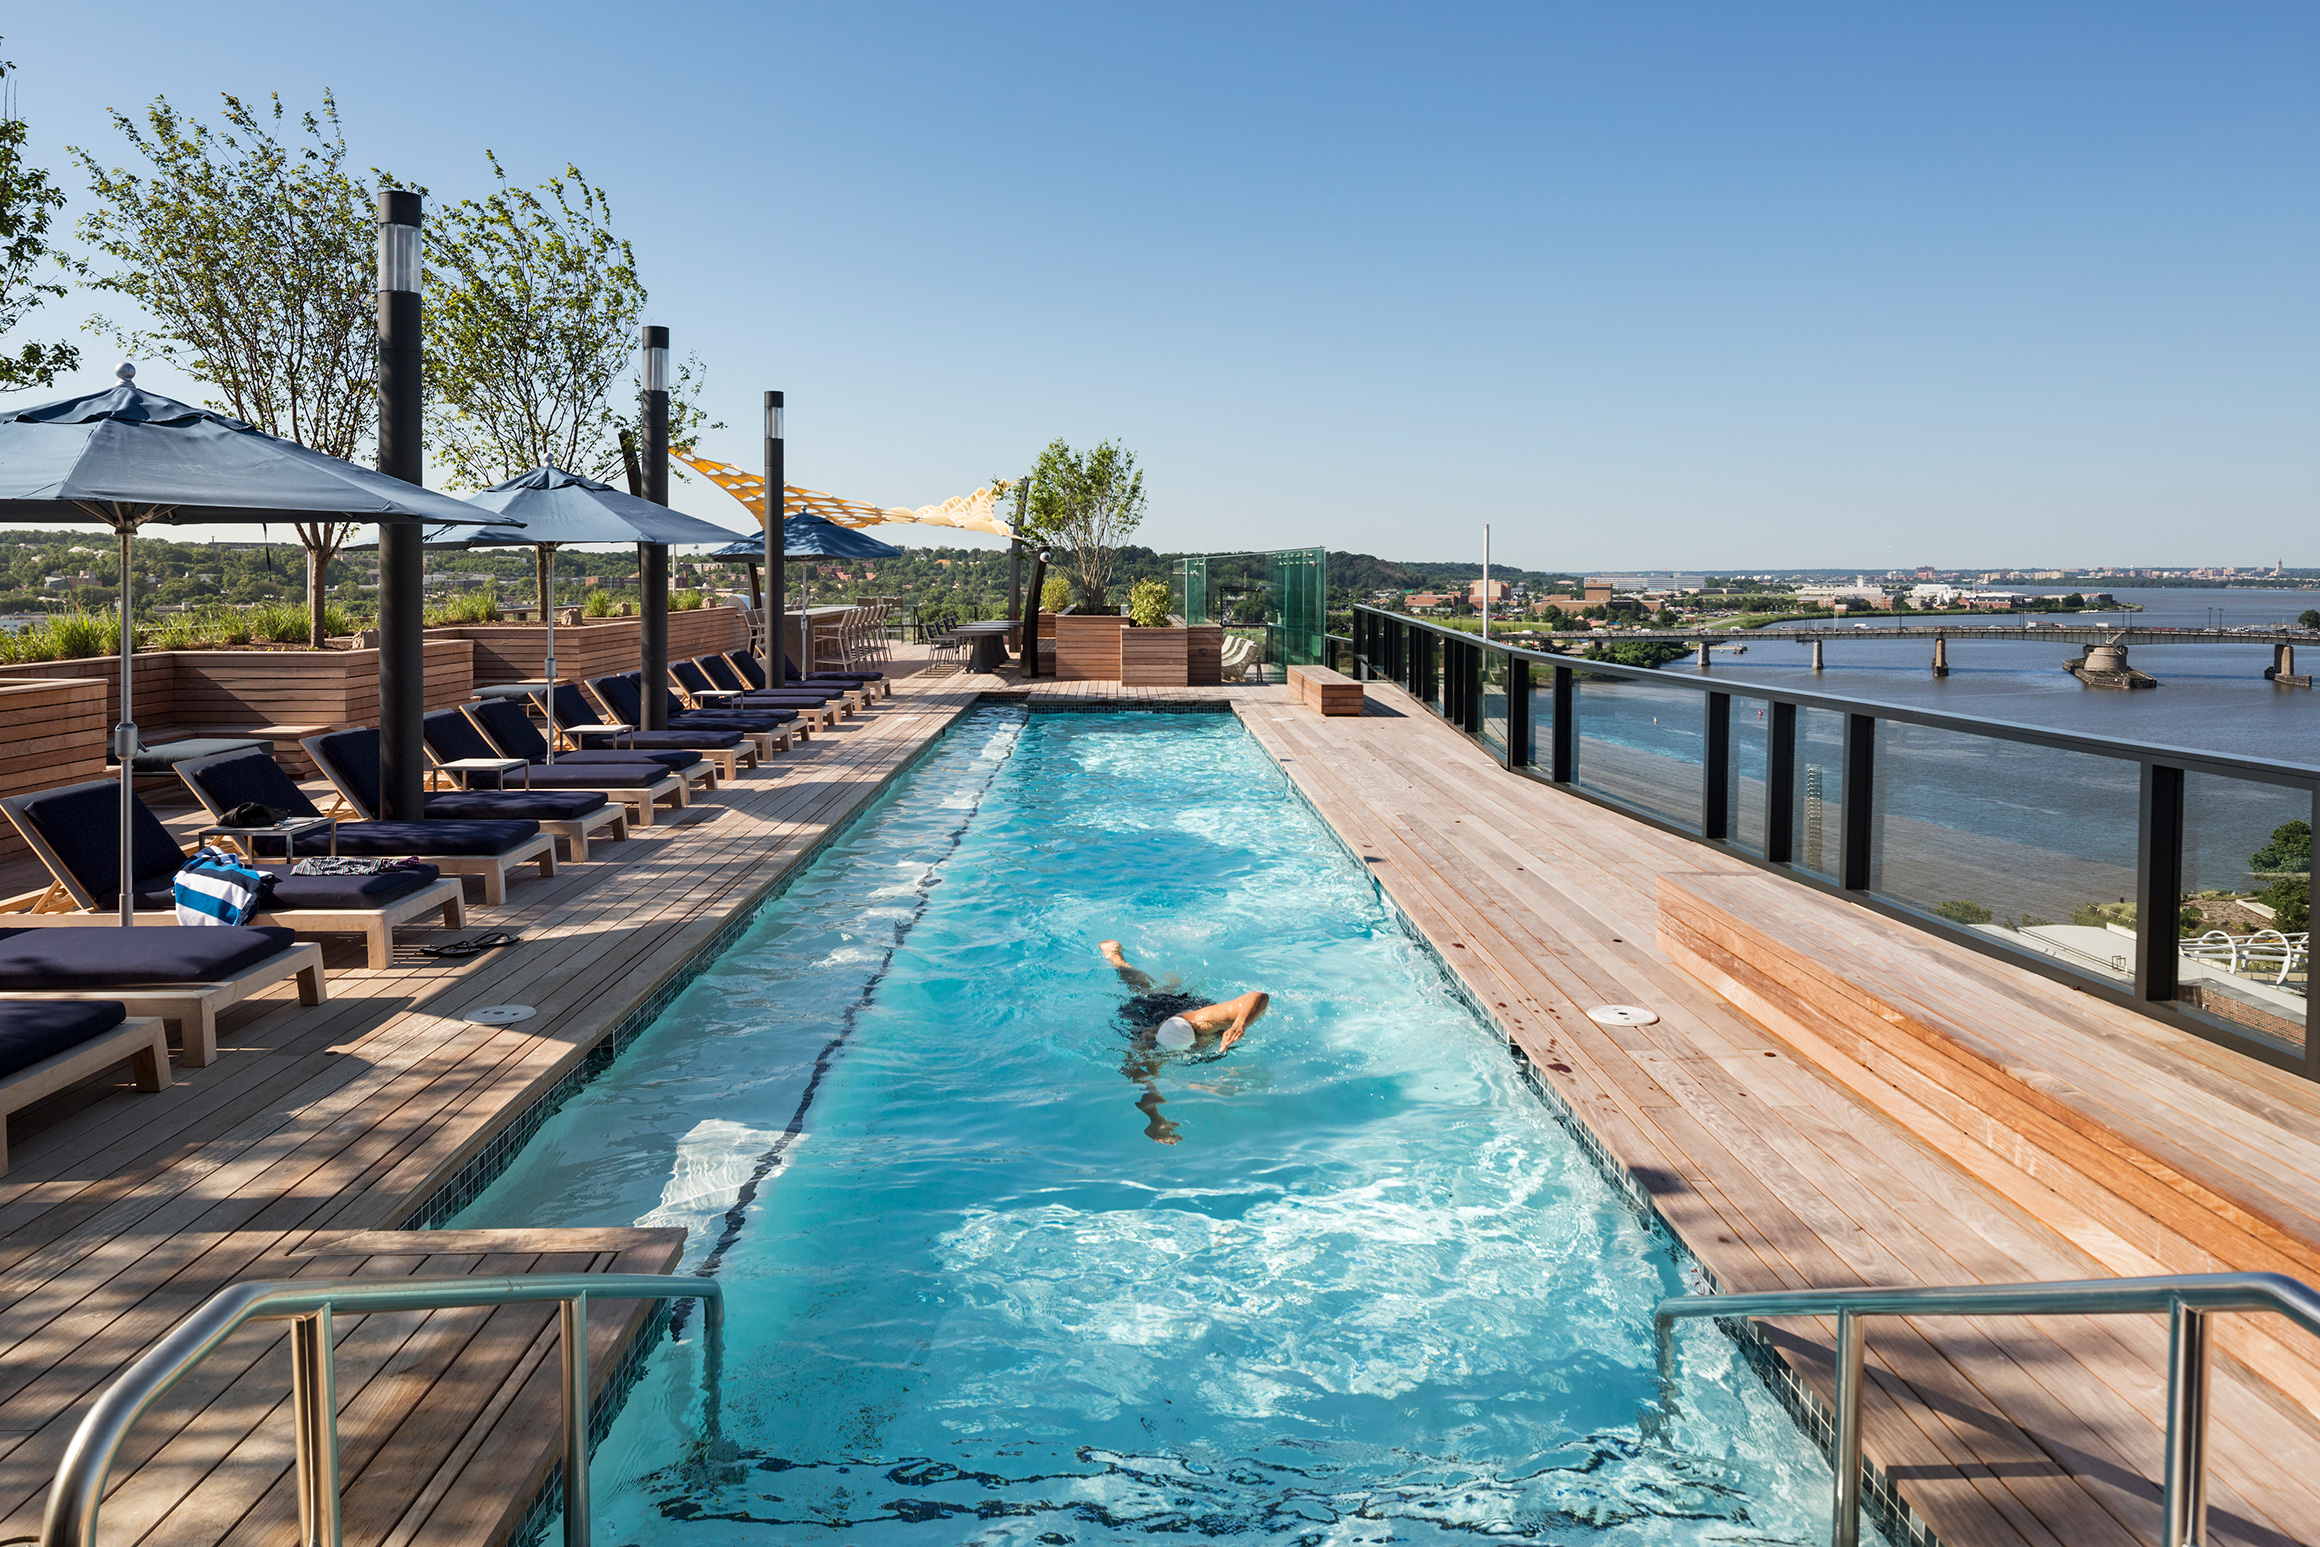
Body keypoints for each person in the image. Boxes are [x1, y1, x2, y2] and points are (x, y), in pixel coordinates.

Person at [1100, 939, 1269, 1145]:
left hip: (1173, 1008)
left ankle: (1128, 964)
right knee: (1149, 994)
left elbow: (1258, 996)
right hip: (1154, 1018)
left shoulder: (1202, 1022)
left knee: (1157, 990)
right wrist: (1155, 1118)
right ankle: (1127, 964)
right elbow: (1143, 1084)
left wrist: (1239, 1025)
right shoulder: (1153, 1048)